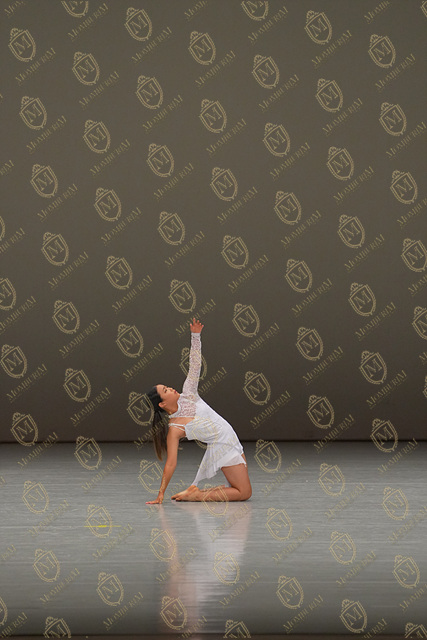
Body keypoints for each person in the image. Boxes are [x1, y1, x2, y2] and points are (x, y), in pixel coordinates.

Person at [145, 318, 252, 503]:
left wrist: (195, 336)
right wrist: (160, 493)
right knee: (244, 493)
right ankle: (197, 495)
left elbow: (195, 365)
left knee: (237, 487)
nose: (171, 388)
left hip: (230, 438)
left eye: (168, 386)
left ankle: (194, 492)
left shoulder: (189, 394)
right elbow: (171, 463)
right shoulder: (174, 429)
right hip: (222, 444)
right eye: (166, 390)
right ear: (162, 404)